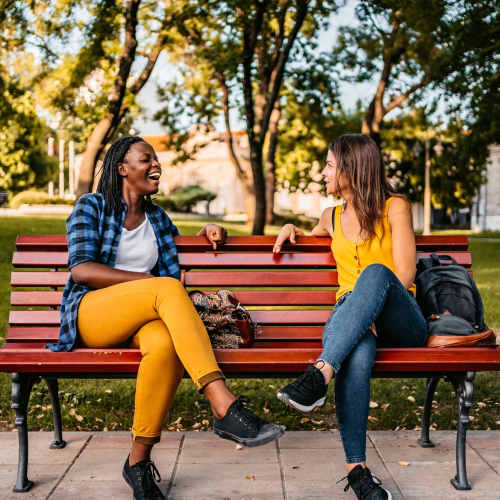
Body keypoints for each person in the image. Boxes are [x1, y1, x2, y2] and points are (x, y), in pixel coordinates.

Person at [48, 136, 284, 500]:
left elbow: (171, 260)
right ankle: (223, 402)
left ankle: (138, 463)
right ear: (122, 168)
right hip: (93, 315)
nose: (156, 166)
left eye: (156, 160)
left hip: (142, 321)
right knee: (166, 288)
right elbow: (82, 270)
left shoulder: (157, 217)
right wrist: (147, 283)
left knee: (164, 345)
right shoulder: (91, 206)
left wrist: (205, 233)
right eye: (146, 159)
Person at [272, 134, 427, 500]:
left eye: (329, 164)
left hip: (399, 317)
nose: (323, 172)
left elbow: (403, 275)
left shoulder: (395, 207)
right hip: (352, 321)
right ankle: (356, 470)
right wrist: (292, 229)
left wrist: (370, 310)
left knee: (375, 272)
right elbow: (309, 237)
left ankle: (320, 374)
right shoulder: (331, 215)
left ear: (351, 168)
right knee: (356, 353)